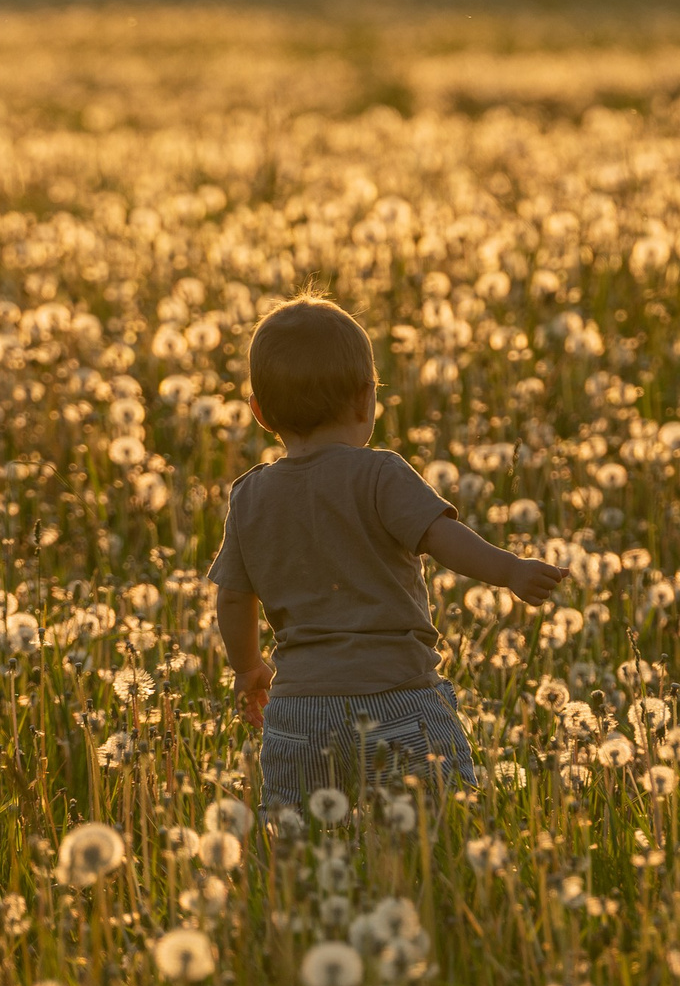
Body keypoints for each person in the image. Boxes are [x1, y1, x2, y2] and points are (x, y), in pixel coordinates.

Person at [207, 297, 567, 806]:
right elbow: (444, 540)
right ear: (365, 399)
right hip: (398, 698)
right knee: (440, 828)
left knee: (300, 845)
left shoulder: (250, 496)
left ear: (259, 412)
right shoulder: (380, 474)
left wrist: (247, 667)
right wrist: (509, 570)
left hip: (298, 712)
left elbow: (232, 599)